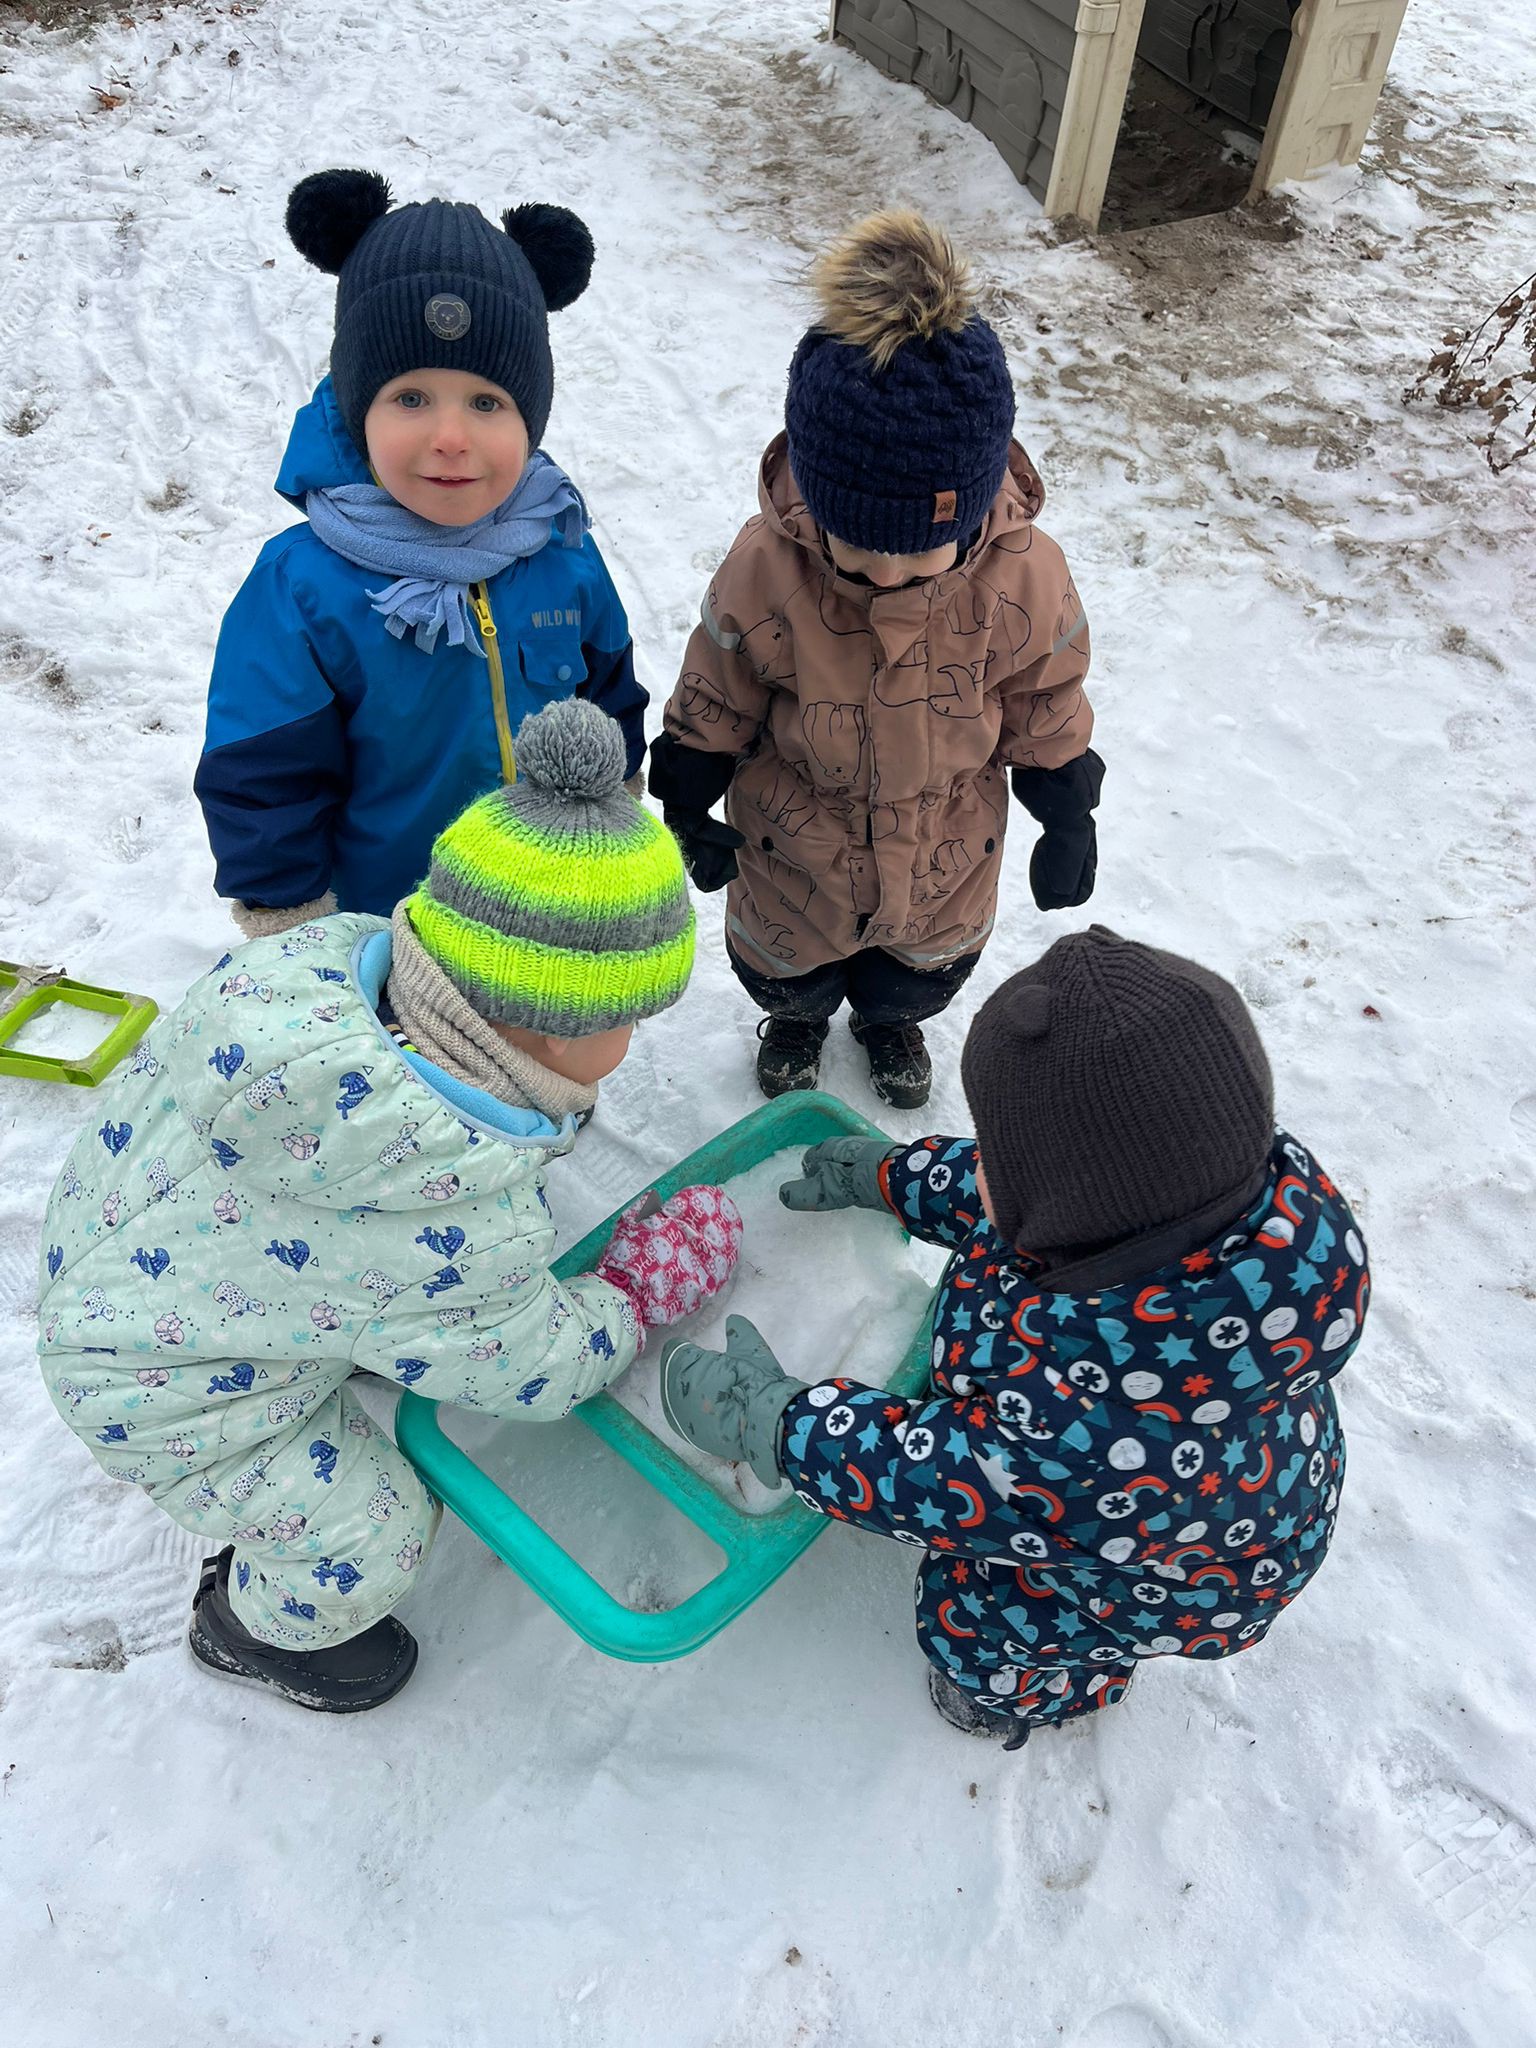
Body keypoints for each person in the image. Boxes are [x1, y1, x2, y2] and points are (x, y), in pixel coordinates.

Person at [39, 702, 735, 1712]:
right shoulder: (449, 1217)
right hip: (173, 1394)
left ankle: (342, 1329)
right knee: (376, 1532)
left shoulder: (316, 973)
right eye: (625, 1015)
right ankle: (253, 1627)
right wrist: (627, 1295)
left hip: (111, 1246)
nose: (632, 1038)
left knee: (361, 1287)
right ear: (550, 1027)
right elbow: (528, 1365)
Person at [659, 928, 1369, 1747]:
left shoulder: (1085, 1447)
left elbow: (921, 1478)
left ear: (1068, 1210)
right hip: (1181, 1469)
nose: (986, 1167)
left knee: (977, 1614)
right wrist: (894, 1179)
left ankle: (1029, 1692)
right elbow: (1020, 1190)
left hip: (1162, 1579)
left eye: (1000, 1159)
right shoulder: (1192, 1212)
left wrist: (779, 1424)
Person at [648, 210, 1101, 1109]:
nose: (886, 576)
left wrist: (1066, 810)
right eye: (857, 550)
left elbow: (1046, 693)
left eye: (919, 553)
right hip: (794, 842)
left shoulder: (1025, 576)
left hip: (944, 849)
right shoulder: (766, 567)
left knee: (917, 974)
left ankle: (890, 1020)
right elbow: (718, 683)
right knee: (788, 968)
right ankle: (797, 1019)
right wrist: (688, 792)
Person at [195, 168, 647, 937]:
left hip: (541, 911)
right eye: (410, 398)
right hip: (379, 930)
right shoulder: (301, 586)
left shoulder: (560, 551)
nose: (450, 437)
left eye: (487, 402)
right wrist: (295, 924)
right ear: (357, 409)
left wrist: (615, 806)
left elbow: (608, 702)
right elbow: (265, 774)